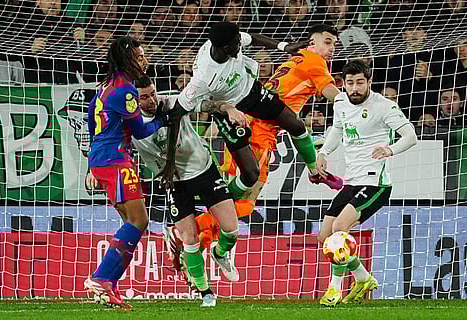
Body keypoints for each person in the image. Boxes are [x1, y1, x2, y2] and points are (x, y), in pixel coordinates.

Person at [163, 22, 341, 206]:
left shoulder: (231, 42)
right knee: (249, 182)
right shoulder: (203, 79)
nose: (241, 44)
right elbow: (176, 114)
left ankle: (313, 172)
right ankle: (216, 210)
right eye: (237, 43)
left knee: (296, 125)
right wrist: (170, 163)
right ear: (226, 48)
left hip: (254, 94)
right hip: (236, 114)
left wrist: (284, 46)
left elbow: (254, 37)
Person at [132, 75, 243, 307]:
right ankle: (206, 293)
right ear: (134, 100)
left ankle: (220, 253)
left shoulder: (173, 103)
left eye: (152, 93)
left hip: (204, 170)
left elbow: (207, 104)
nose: (152, 100)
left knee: (231, 229)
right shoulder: (132, 127)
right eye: (144, 97)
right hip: (174, 181)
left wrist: (228, 108)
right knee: (189, 240)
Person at [316, 61, 418, 306]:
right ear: (343, 84)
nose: (355, 88)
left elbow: (411, 135)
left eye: (360, 82)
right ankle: (363, 277)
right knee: (324, 237)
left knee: (340, 228)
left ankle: (334, 289)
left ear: (369, 82)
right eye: (350, 83)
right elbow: (337, 128)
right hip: (352, 182)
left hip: (376, 183)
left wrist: (389, 149)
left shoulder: (384, 106)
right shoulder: (340, 102)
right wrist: (324, 152)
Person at [222, 24, 344, 216]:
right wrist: (363, 106)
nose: (332, 49)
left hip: (248, 123)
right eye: (327, 42)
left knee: (239, 201)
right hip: (259, 132)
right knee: (242, 204)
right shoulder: (315, 62)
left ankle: (208, 240)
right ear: (312, 42)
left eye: (335, 45)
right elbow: (334, 96)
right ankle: (192, 225)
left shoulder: (296, 59)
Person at [83, 36, 169, 309]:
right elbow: (141, 130)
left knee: (129, 220)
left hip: (102, 159)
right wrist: (162, 118)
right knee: (138, 221)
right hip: (115, 160)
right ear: (128, 59)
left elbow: (91, 126)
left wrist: (92, 165)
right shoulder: (126, 90)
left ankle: (109, 284)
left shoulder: (104, 88)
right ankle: (101, 279)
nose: (145, 60)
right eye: (140, 56)